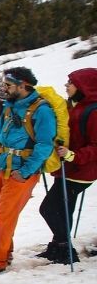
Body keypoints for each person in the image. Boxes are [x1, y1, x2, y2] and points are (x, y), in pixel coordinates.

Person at [0, 67, 56, 278]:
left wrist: (26, 170)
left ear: (23, 85)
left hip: (21, 171)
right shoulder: (10, 108)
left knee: (4, 216)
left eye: (8, 85)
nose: (4, 89)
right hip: (3, 168)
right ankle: (1, 251)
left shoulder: (42, 110)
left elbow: (45, 144)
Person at [37, 68, 97, 264]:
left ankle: (65, 248)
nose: (66, 86)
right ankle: (58, 246)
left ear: (83, 86)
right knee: (64, 208)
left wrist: (72, 155)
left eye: (70, 83)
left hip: (81, 171)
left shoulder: (93, 112)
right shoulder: (73, 106)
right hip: (68, 169)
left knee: (48, 208)